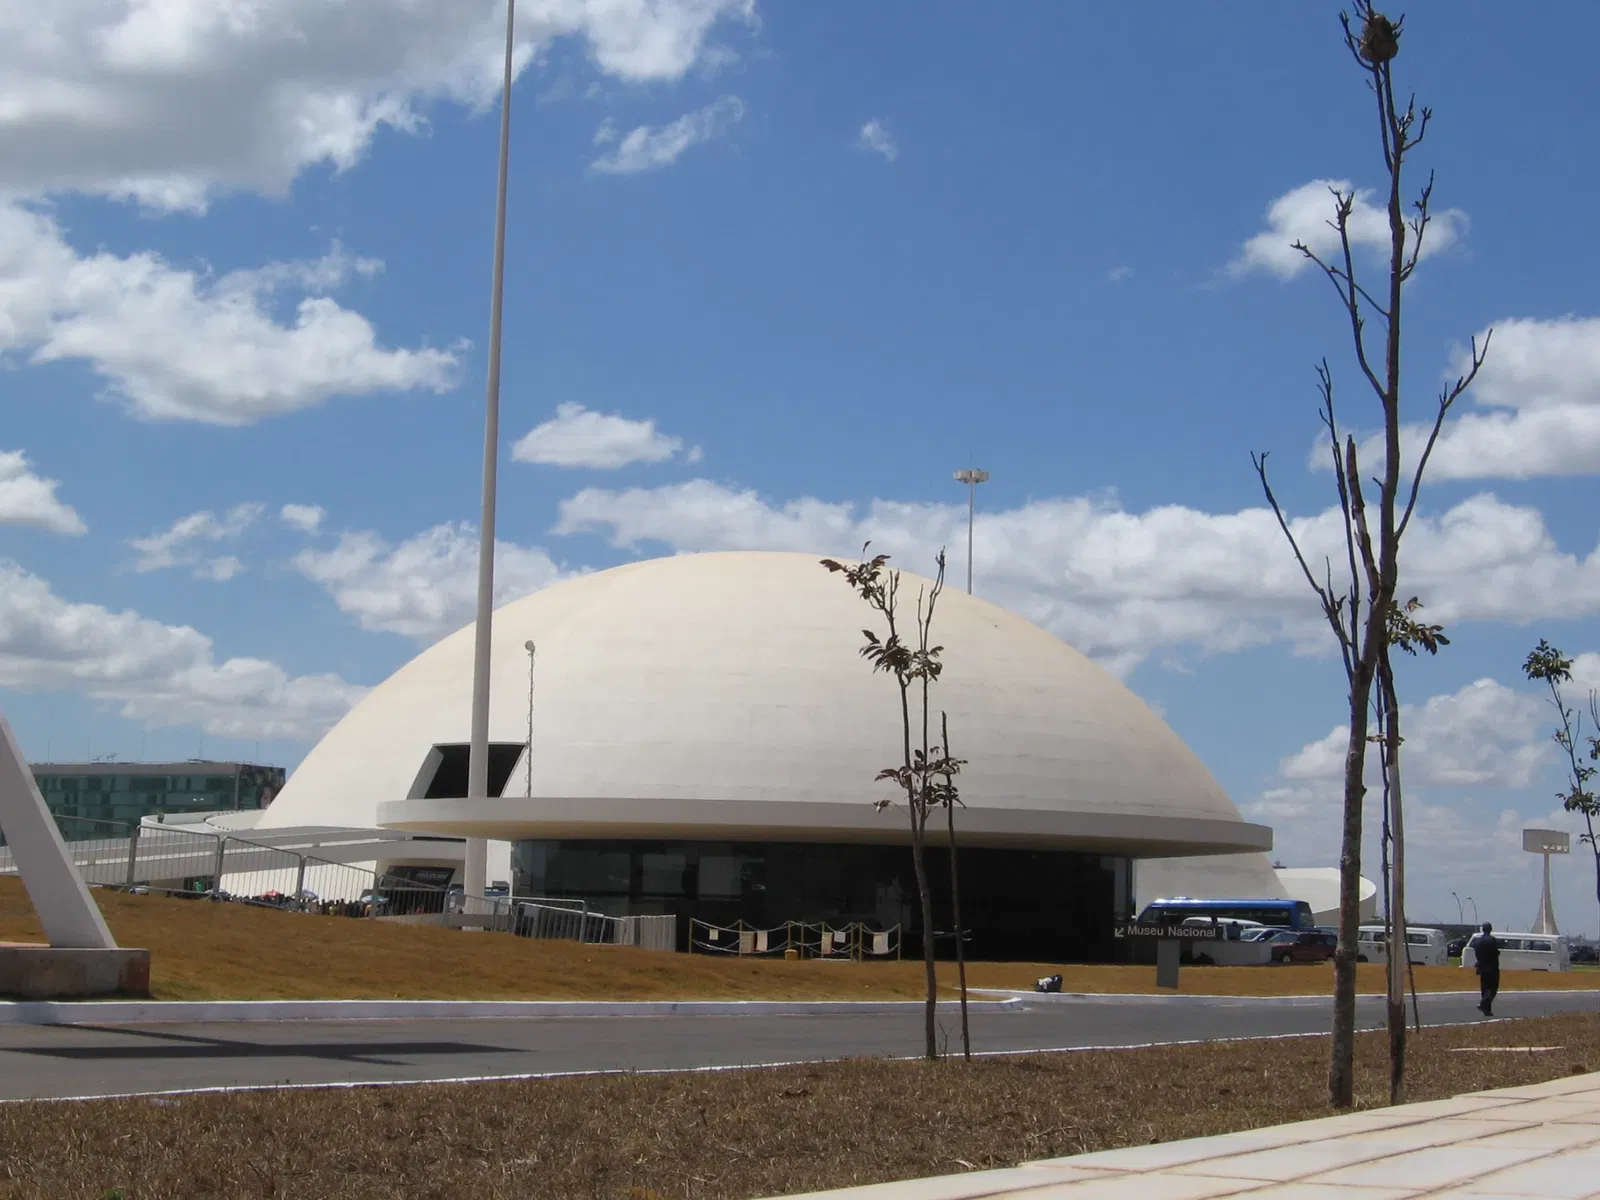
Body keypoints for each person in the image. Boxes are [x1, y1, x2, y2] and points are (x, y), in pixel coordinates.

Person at [1473, 922, 1501, 1016]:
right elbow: (1495, 952)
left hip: (1482, 966)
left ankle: (1487, 1009)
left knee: (1484, 988)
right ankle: (1483, 1004)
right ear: (1490, 929)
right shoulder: (1492, 940)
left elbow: (1476, 952)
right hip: (1492, 967)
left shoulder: (1478, 941)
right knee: (1492, 988)